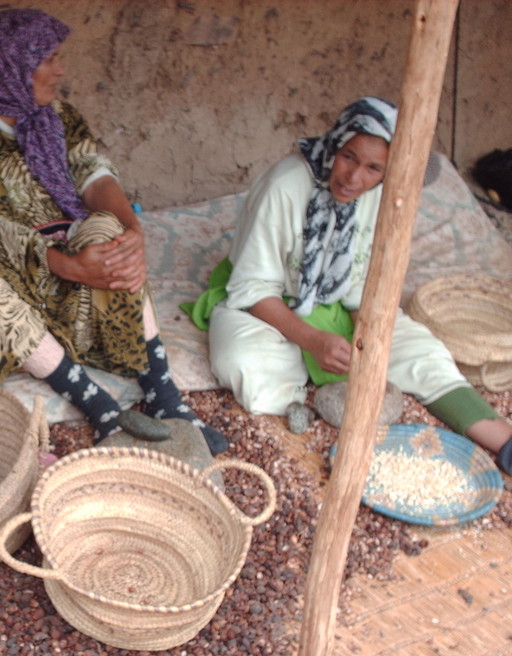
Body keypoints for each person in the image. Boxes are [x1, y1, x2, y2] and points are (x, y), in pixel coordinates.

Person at [0, 8, 227, 454]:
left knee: (112, 235)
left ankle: (166, 398)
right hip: (13, 262)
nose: (61, 69)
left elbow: (95, 177)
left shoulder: (59, 117)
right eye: (48, 59)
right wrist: (69, 267)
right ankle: (99, 407)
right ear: (13, 66)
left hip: (75, 253)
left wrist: (132, 232)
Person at [191, 96, 512, 471]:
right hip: (269, 301)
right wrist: (313, 340)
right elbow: (253, 287)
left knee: (422, 351)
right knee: (241, 362)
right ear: (334, 144)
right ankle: (304, 405)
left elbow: (367, 285)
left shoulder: (385, 198)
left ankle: (500, 438)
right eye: (348, 157)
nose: (354, 178)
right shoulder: (285, 186)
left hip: (340, 306)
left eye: (374, 168)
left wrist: (366, 330)